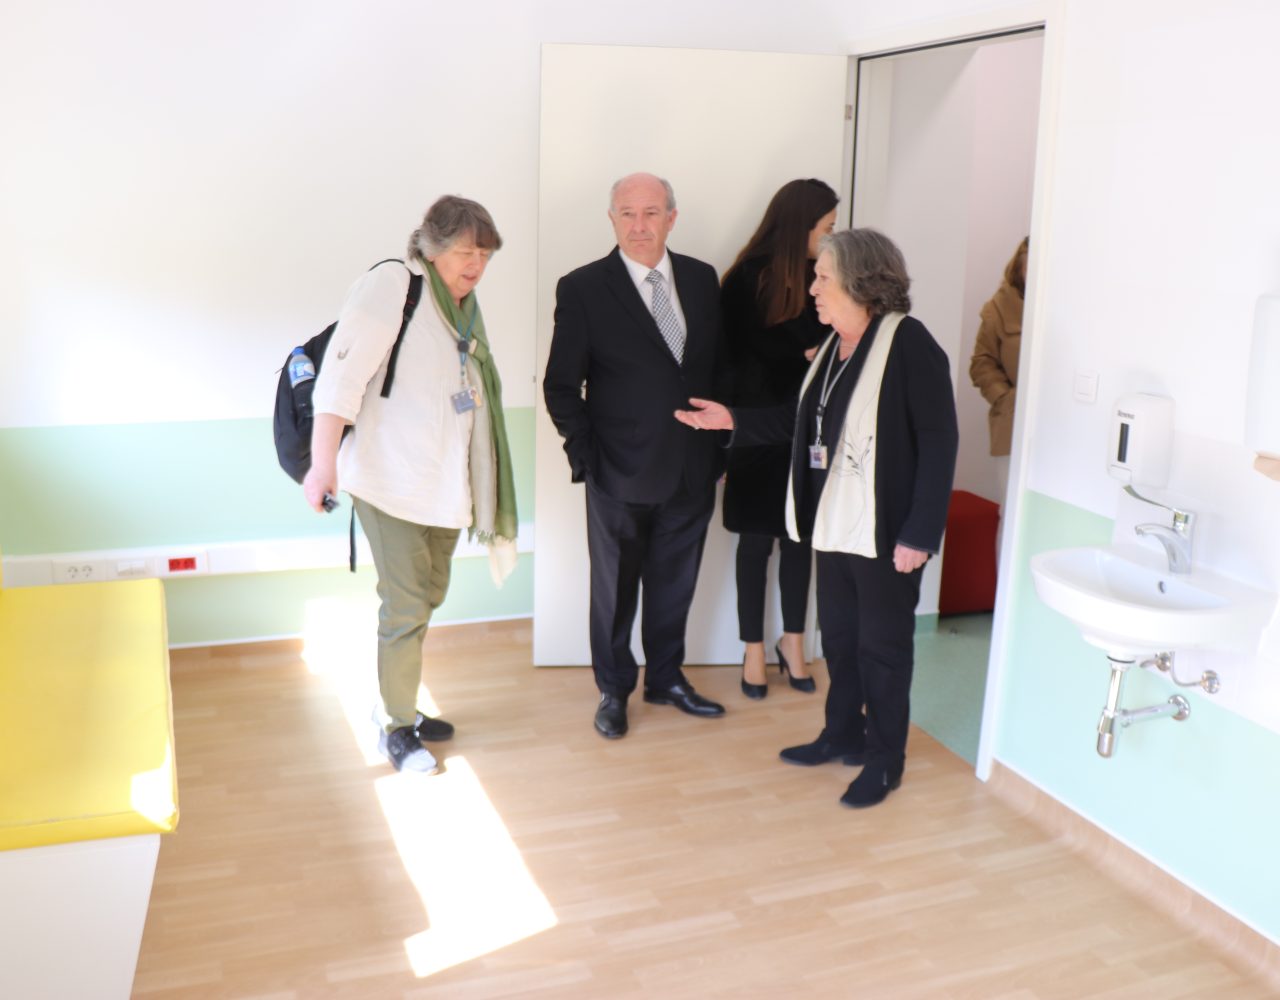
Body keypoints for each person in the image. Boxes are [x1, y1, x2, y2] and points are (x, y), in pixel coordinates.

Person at [675, 228, 958, 808]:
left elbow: (939, 442)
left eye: (823, 278)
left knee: (883, 652)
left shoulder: (909, 344)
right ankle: (841, 734)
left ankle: (885, 760)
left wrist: (921, 533)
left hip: (886, 535)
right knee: (843, 643)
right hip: (833, 526)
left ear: (860, 282)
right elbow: (799, 420)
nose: (813, 289)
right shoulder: (833, 347)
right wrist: (732, 420)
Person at [303, 196, 518, 774]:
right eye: (466, 251)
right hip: (389, 481)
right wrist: (322, 467)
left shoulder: (462, 309)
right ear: (431, 245)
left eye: (485, 255)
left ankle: (397, 701)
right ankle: (395, 727)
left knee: (427, 598)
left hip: (444, 486)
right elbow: (339, 382)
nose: (476, 265)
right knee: (404, 606)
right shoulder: (393, 286)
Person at [543, 172, 729, 740]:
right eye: (627, 213)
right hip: (617, 473)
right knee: (615, 592)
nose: (639, 225)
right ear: (612, 219)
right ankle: (614, 690)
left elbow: (716, 368)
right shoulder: (583, 288)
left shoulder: (701, 278)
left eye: (651, 213)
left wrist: (719, 448)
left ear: (672, 218)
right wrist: (588, 458)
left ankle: (666, 679)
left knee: (676, 584)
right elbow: (560, 386)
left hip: (692, 468)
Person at [720, 179, 838, 699]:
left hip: (807, 429)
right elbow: (730, 362)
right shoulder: (746, 278)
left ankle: (793, 641)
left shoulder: (824, 276)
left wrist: (812, 354)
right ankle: (752, 648)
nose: (830, 236)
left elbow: (836, 342)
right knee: (754, 542)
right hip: (753, 431)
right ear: (800, 224)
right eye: (826, 227)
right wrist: (800, 355)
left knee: (799, 538)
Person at [969, 236, 1028, 499]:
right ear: (1019, 268)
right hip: (1011, 420)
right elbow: (982, 364)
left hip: (1054, 423)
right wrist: (1005, 398)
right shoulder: (999, 307)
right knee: (1011, 504)